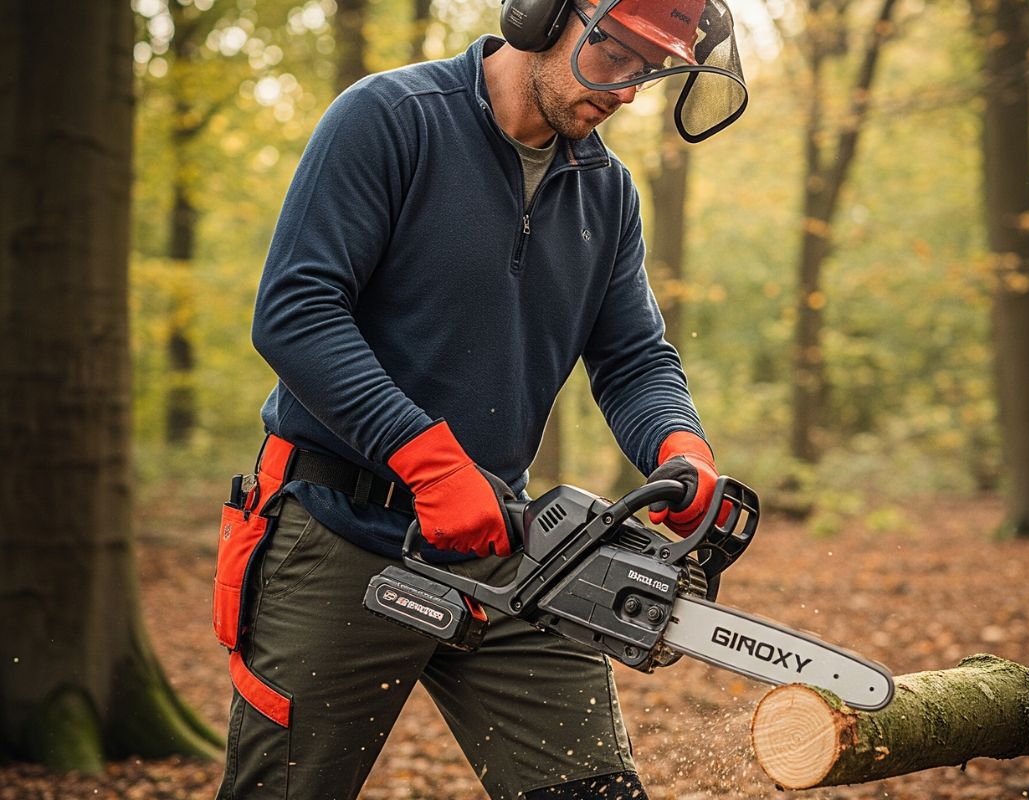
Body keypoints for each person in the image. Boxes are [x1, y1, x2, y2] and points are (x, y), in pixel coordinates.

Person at [214, 1, 748, 797]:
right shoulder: (392, 119)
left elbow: (635, 357)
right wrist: (428, 464)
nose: (628, 89)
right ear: (539, 16)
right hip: (341, 530)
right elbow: (296, 313)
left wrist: (680, 446)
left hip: (505, 547)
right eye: (616, 55)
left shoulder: (606, 191)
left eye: (651, 69)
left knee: (592, 789)